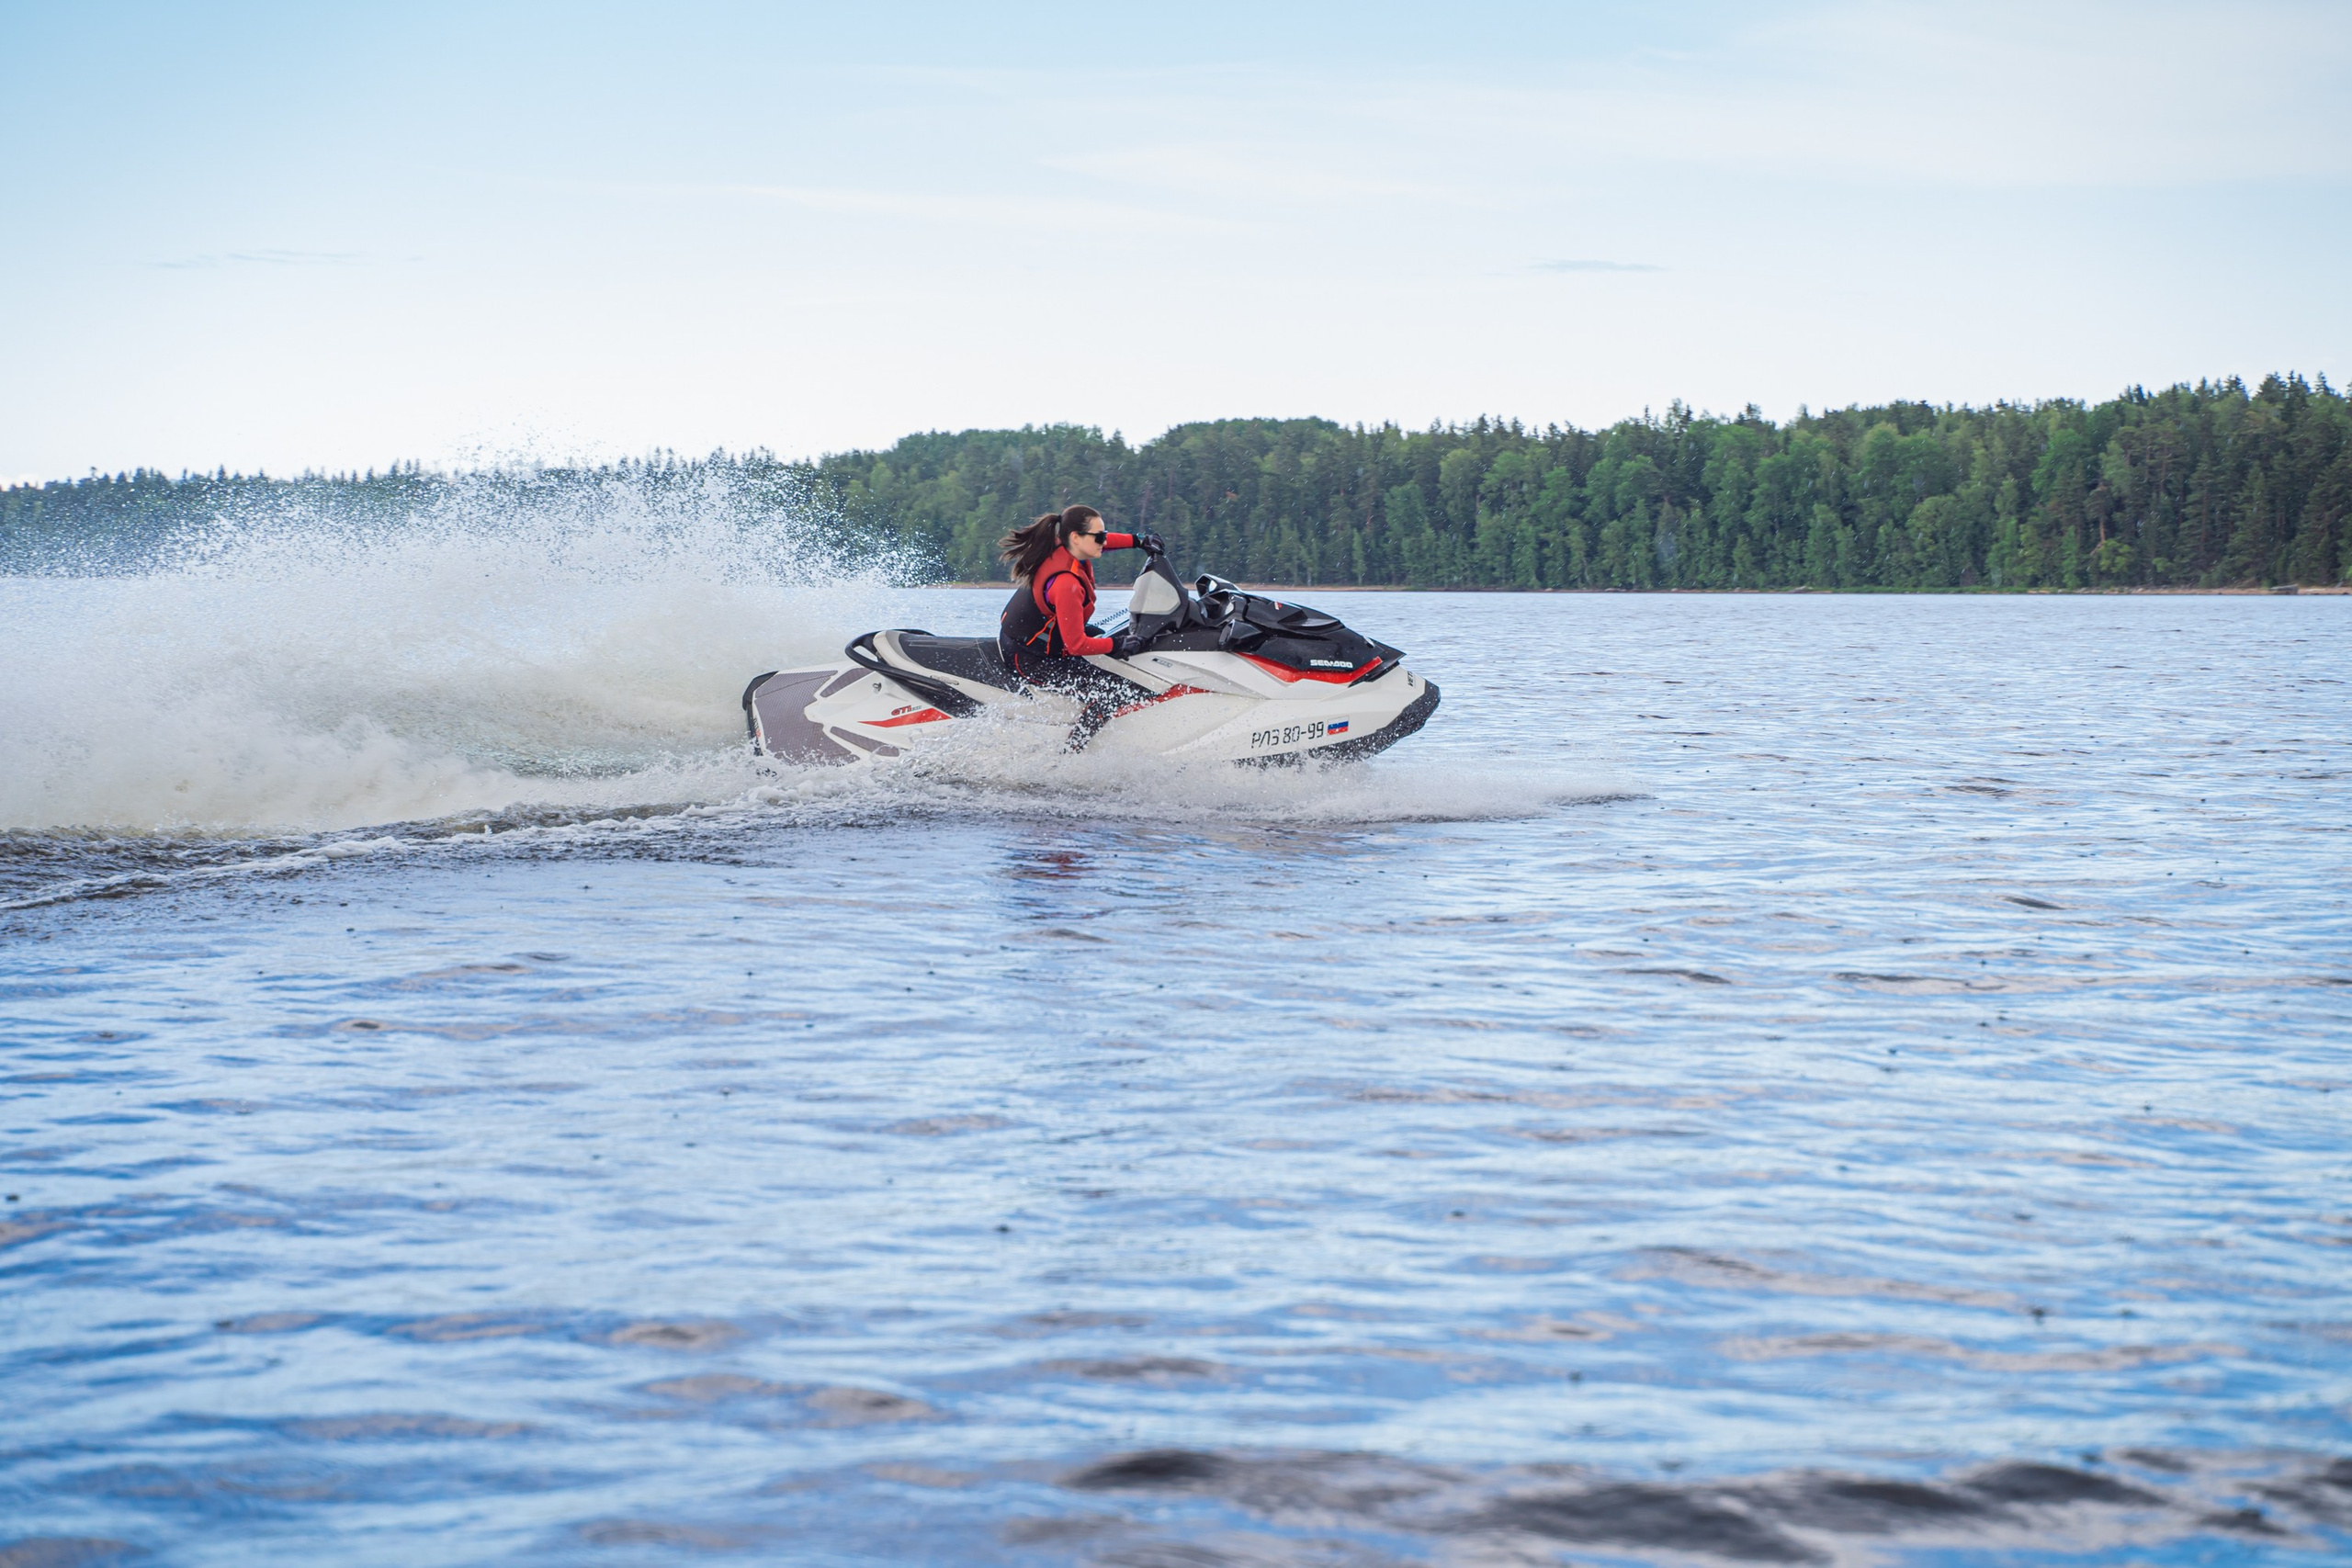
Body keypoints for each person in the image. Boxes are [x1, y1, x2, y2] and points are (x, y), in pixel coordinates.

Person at [997, 504, 1167, 750]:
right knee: (1114, 691)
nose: (1103, 541)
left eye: (1104, 535)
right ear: (1075, 537)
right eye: (1099, 536)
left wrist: (1139, 541)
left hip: (1035, 640)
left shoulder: (1064, 545)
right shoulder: (1066, 584)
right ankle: (1071, 752)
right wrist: (1119, 645)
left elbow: (1102, 543)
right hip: (1028, 657)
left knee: (1107, 641)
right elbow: (1075, 645)